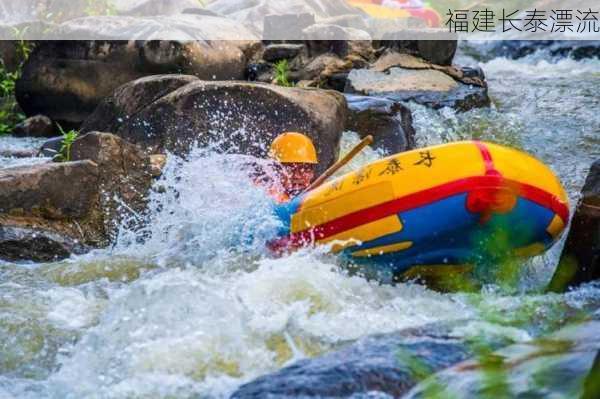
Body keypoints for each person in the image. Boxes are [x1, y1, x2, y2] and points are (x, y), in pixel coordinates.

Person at [261, 132, 318, 203]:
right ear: (274, 171)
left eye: (305, 169)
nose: (297, 176)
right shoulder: (263, 196)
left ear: (312, 173)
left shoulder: (319, 192)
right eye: (289, 169)